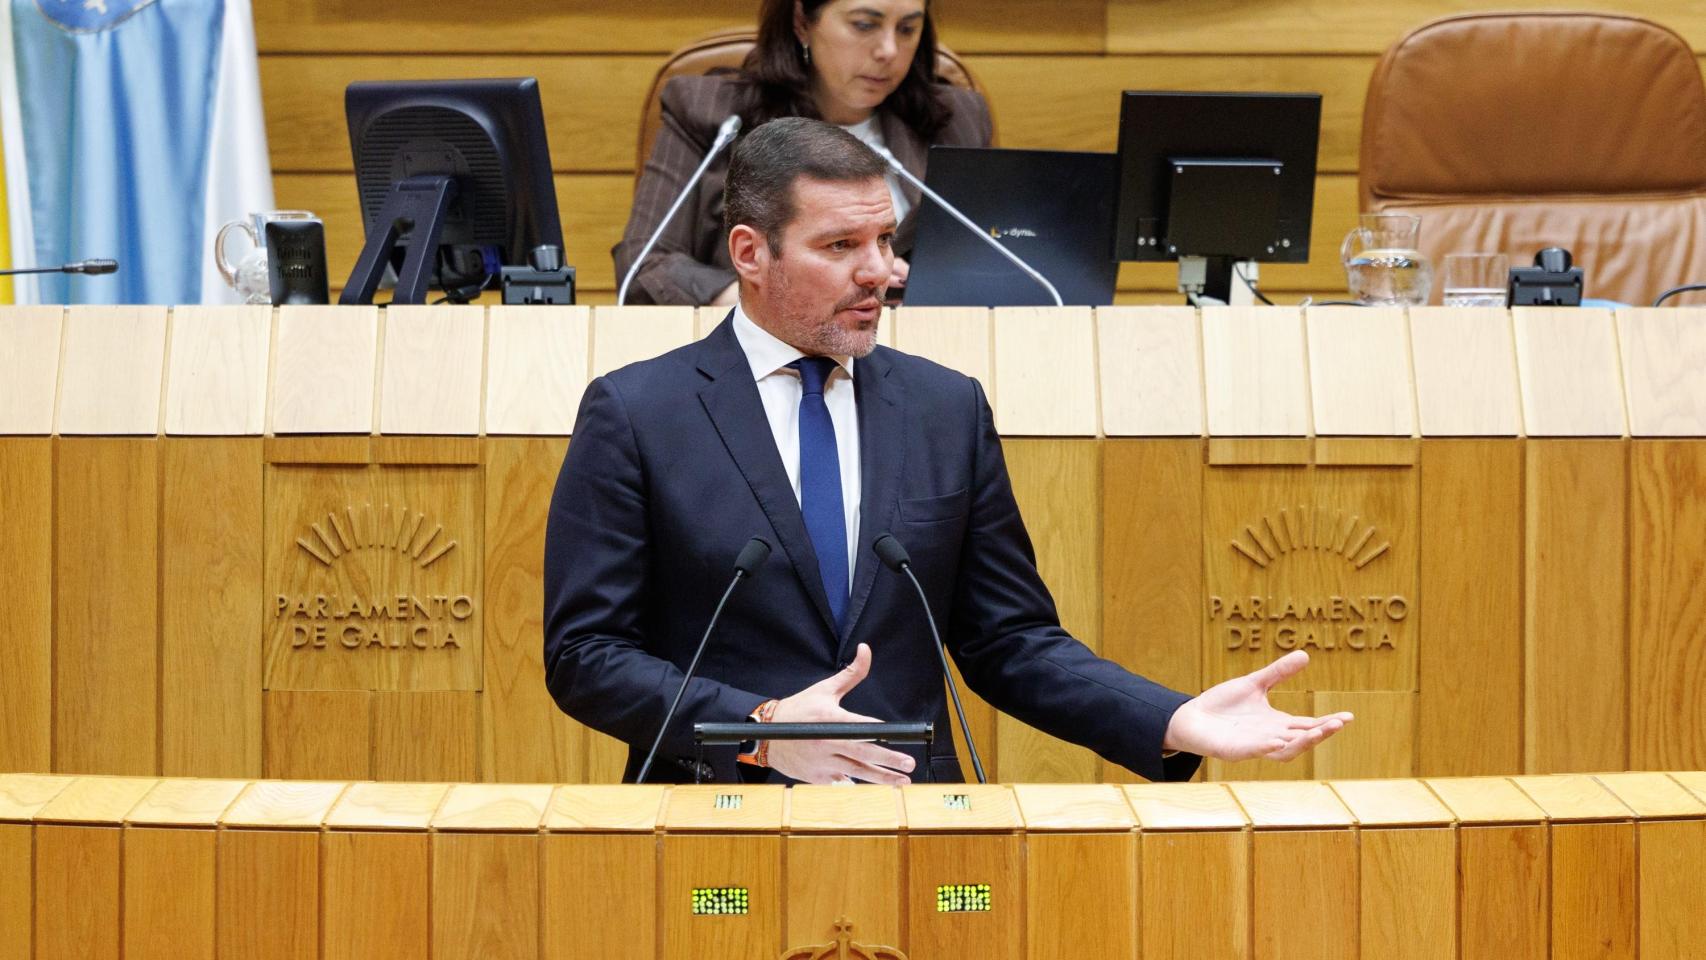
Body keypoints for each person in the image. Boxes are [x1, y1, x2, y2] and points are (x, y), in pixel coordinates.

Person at [546, 118, 1353, 785]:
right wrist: (756, 729)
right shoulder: (638, 411)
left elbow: (1009, 639)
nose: (882, 273)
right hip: (710, 829)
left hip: (920, 825)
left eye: (887, 241)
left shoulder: (943, 407)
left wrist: (1171, 718)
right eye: (840, 247)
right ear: (751, 254)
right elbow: (586, 656)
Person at [612, 0, 993, 306]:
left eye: (907, 28)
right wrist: (761, 302)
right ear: (801, 21)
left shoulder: (956, 120)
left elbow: (993, 271)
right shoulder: (711, 114)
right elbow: (645, 265)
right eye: (864, 24)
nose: (888, 50)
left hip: (922, 356)